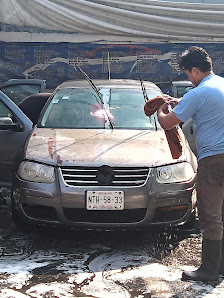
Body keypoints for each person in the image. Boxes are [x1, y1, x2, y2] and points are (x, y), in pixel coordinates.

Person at [157, 46, 224, 282]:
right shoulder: (220, 85)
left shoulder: (198, 93)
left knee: (210, 215)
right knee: (222, 214)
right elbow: (206, 106)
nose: (188, 77)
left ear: (194, 69)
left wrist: (160, 111)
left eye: (187, 73)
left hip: (214, 160)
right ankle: (221, 266)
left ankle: (208, 271)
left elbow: (168, 123)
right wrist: (182, 101)